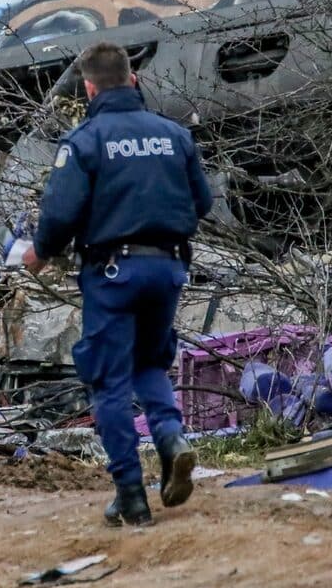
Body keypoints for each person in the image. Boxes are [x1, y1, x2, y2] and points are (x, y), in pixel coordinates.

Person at [23, 42, 213, 527]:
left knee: (108, 381)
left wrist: (40, 251)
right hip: (168, 269)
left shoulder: (84, 141)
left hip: (113, 274)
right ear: (133, 79)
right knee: (149, 362)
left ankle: (130, 494)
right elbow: (204, 202)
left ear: (89, 89)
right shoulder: (174, 134)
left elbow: (60, 214)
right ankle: (170, 437)